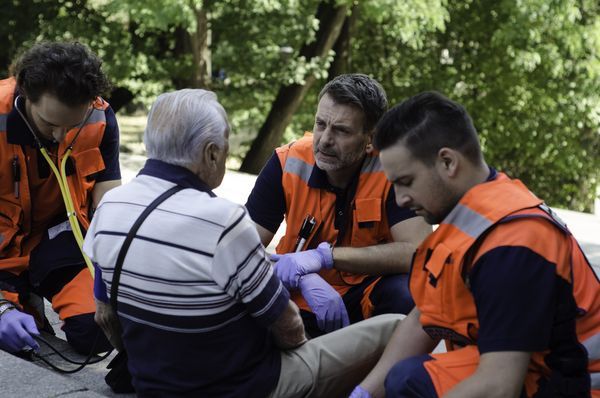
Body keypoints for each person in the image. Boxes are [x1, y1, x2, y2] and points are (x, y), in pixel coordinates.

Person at [83, 89, 402, 397]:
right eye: (224, 148)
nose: (325, 138)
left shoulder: (110, 206)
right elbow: (289, 330)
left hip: (153, 381)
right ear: (211, 153)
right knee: (400, 328)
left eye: (341, 130)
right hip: (245, 385)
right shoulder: (224, 220)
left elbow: (105, 315)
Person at [350, 91, 600, 397]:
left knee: (411, 380)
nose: (400, 199)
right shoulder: (470, 214)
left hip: (571, 386)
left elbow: (497, 387)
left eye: (406, 182)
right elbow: (422, 319)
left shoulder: (514, 245)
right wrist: (363, 393)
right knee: (405, 378)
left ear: (447, 162)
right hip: (534, 370)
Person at [245, 74, 431, 336]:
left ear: (372, 139)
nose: (324, 140)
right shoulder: (287, 161)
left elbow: (419, 252)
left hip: (365, 297)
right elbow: (240, 250)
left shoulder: (394, 169)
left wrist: (325, 258)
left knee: (410, 294)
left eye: (341, 130)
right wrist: (300, 274)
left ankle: (382, 375)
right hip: (297, 296)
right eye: (321, 124)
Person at [0, 41, 120, 355]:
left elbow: (110, 208)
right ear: (24, 92)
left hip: (58, 238)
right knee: (22, 338)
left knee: (98, 331)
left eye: (73, 126)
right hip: (2, 249)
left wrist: (114, 287)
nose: (61, 137)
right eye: (50, 124)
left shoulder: (101, 118)